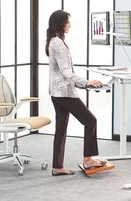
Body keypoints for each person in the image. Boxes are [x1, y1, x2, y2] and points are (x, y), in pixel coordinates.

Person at [45, 10, 107, 176]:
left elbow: (61, 71)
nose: (70, 25)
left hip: (56, 92)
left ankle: (57, 167)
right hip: (64, 93)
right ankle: (88, 160)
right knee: (90, 121)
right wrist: (86, 82)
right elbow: (66, 72)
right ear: (60, 23)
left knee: (61, 129)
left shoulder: (54, 41)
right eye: (68, 22)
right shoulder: (58, 43)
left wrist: (82, 84)